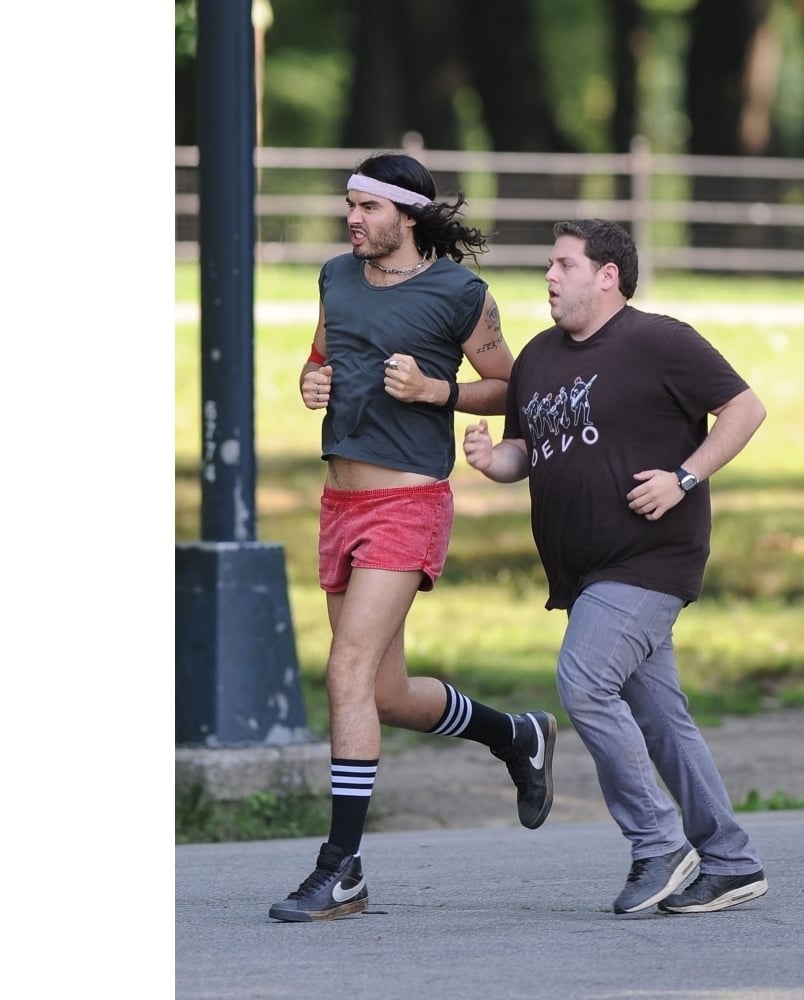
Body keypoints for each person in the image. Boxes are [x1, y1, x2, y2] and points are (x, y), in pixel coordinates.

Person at [268, 152, 557, 923]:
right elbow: (320, 358)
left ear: (407, 215)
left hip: (408, 504)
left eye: (367, 208)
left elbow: (510, 384)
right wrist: (310, 383)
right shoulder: (335, 276)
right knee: (384, 694)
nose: (353, 219)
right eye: (349, 207)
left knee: (346, 670)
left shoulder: (461, 294)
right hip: (341, 503)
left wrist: (439, 391)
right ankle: (516, 735)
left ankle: (342, 869)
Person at [463, 219, 768, 916]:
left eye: (564, 264)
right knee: (663, 719)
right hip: (586, 574)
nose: (549, 275)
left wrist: (685, 478)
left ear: (607, 275)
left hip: (653, 557)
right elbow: (524, 452)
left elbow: (745, 409)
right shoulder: (538, 357)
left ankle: (660, 844)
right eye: (549, 263)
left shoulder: (660, 341)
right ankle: (729, 860)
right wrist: (490, 461)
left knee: (584, 680)